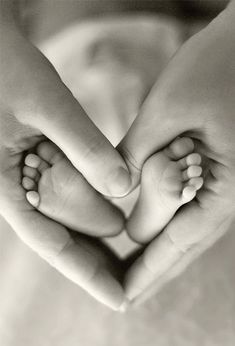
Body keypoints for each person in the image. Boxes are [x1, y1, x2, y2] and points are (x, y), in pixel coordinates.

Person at [1, 0, 235, 313]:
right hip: (161, 55)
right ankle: (148, 211)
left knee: (79, 131)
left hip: (67, 54)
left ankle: (123, 210)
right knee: (164, 136)